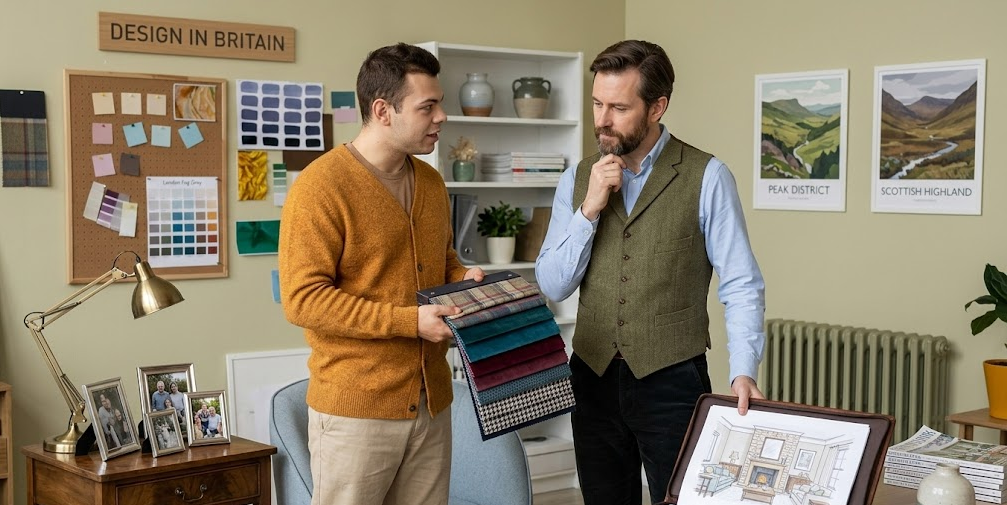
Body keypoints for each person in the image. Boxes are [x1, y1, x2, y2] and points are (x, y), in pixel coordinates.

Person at [534, 39, 766, 505]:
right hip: (592, 376)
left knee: (680, 499)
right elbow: (553, 283)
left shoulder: (707, 175)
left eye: (619, 107)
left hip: (672, 379)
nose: (602, 119)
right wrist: (589, 211)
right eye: (598, 103)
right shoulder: (577, 178)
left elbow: (741, 283)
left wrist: (744, 371)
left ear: (657, 106)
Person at [279, 42, 484, 505]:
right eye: (427, 106)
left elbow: (442, 260)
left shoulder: (431, 182)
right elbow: (303, 300)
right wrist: (409, 321)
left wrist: (464, 277)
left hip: (431, 407)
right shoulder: (321, 186)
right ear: (382, 110)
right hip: (357, 413)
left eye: (441, 103)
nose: (442, 116)